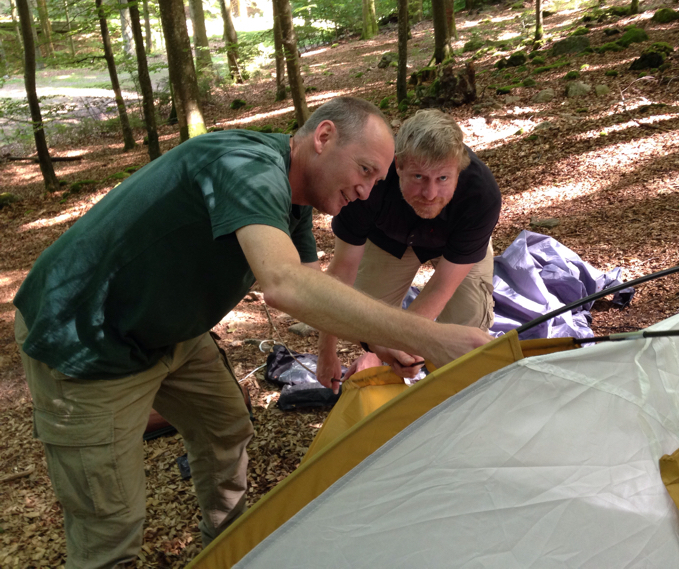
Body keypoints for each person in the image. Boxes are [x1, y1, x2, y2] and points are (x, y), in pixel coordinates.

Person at [13, 97, 492, 569]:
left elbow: (319, 293)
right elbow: (285, 284)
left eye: (377, 180)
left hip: (171, 333)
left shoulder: (294, 199)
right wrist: (429, 337)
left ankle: (226, 552)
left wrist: (376, 343)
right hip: (85, 338)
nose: (368, 193)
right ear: (324, 137)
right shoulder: (246, 166)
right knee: (110, 530)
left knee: (225, 430)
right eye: (365, 171)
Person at [316, 109, 501, 393]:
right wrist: (329, 352)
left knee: (468, 322)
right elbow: (340, 276)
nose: (430, 194)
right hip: (387, 238)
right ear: (398, 165)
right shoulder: (367, 182)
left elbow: (442, 286)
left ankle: (457, 395)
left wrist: (396, 343)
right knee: (363, 314)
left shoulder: (481, 195)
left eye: (443, 178)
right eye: (418, 177)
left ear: (458, 171)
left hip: (455, 246)